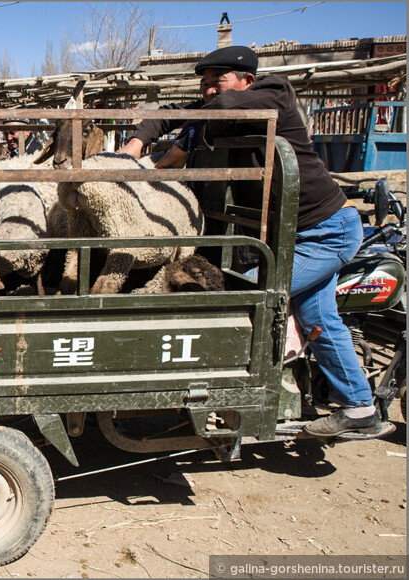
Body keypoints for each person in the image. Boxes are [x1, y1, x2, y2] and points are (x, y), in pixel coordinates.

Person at [117, 45, 380, 438]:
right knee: (320, 319)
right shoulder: (225, 105)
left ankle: (228, 388)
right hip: (293, 235)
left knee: (249, 292)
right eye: (203, 84)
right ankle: (360, 408)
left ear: (247, 81)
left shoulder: (275, 93)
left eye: (216, 82)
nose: (208, 91)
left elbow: (219, 107)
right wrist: (137, 142)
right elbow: (174, 113)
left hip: (326, 231)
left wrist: (188, 128)